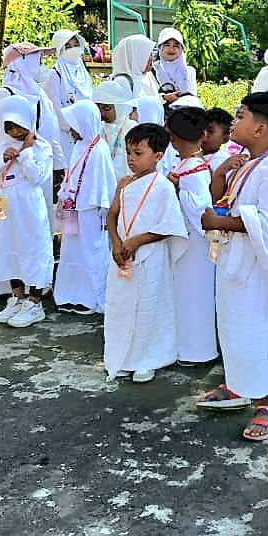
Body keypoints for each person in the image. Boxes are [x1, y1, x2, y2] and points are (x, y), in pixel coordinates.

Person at [197, 92, 268, 441]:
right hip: (234, 262)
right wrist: (221, 176)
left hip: (257, 270)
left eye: (240, 117)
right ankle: (236, 384)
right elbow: (222, 202)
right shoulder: (245, 163)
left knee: (258, 332)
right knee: (233, 327)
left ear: (259, 129)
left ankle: (267, 402)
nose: (234, 123)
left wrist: (222, 223)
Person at [104, 123, 189, 383]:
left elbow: (170, 225)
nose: (131, 159)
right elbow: (112, 215)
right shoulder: (123, 184)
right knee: (120, 306)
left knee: (148, 308)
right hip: (122, 255)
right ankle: (123, 356)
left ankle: (147, 359)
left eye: (138, 153)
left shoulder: (162, 187)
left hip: (150, 256)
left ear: (158, 156)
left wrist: (137, 241)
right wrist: (118, 243)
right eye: (129, 153)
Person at [0, 95, 55, 329]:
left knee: (32, 249)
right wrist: (2, 159)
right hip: (5, 208)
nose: (15, 131)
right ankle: (16, 297)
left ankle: (34, 301)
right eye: (9, 126)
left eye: (18, 126)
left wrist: (26, 153)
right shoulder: (3, 146)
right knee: (9, 248)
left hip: (28, 209)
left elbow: (37, 176)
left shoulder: (41, 147)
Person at [52, 100, 116, 316]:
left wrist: (103, 209)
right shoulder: (79, 147)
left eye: (74, 125)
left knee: (92, 253)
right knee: (71, 252)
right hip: (74, 209)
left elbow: (105, 184)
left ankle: (92, 297)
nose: (71, 130)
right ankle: (71, 294)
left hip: (90, 211)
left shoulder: (100, 149)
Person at [165, 107, 219, 367]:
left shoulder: (193, 169)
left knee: (194, 296)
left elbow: (200, 208)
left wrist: (177, 190)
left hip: (195, 242)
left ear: (174, 137)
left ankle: (197, 350)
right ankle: (188, 345)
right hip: (189, 240)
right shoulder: (187, 166)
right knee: (186, 295)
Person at [0, 42, 64, 208]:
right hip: (15, 171)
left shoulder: (39, 94)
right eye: (38, 61)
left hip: (39, 168)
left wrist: (59, 165)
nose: (41, 66)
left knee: (41, 215)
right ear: (24, 62)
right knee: (15, 219)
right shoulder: (5, 94)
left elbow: (51, 131)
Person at [45, 29, 95, 159]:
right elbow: (55, 107)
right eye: (67, 46)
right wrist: (71, 128)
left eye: (75, 45)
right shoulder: (56, 74)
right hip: (67, 134)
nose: (73, 49)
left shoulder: (82, 71)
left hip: (87, 129)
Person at [91, 79, 138, 178]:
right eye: (98, 109)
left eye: (107, 109)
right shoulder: (97, 129)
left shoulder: (132, 129)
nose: (102, 113)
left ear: (118, 107)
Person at [151, 27, 196, 102]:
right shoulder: (153, 70)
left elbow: (193, 96)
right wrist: (164, 97)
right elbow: (149, 96)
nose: (171, 49)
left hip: (184, 111)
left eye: (176, 46)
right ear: (160, 48)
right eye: (167, 45)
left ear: (181, 49)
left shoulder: (189, 71)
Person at [111, 34, 160, 101]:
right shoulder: (122, 83)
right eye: (146, 55)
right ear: (134, 57)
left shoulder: (147, 76)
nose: (151, 58)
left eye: (151, 54)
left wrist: (164, 98)